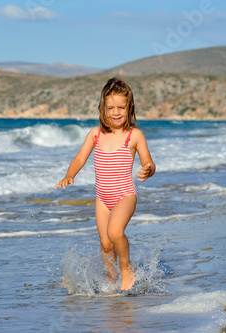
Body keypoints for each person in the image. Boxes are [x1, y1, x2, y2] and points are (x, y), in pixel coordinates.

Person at [55, 77, 155, 291]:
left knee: (116, 233)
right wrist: (69, 174)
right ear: (103, 108)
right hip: (102, 199)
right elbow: (80, 158)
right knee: (106, 244)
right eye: (111, 107)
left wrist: (148, 169)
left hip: (125, 195)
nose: (116, 112)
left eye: (121, 107)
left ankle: (126, 268)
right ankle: (112, 280)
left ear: (130, 108)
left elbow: (148, 161)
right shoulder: (95, 134)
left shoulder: (134, 135)